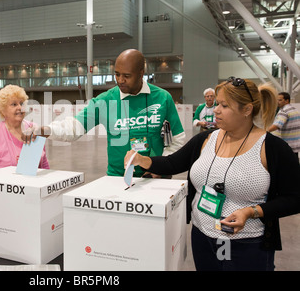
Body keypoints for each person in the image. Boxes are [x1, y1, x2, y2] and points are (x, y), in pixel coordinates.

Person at [124, 77, 300, 271]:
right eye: (216, 103)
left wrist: (252, 212)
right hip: (202, 237)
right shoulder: (205, 139)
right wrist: (143, 160)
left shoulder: (273, 148)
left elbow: (295, 198)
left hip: (247, 245)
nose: (216, 110)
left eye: (224, 105)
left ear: (247, 110)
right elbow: (173, 163)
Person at [23, 49, 185, 177]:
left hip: (154, 177)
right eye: (117, 74)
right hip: (117, 178)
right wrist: (44, 130)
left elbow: (177, 140)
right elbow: (74, 127)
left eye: (126, 76)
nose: (120, 80)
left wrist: (161, 167)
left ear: (141, 74)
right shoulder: (105, 100)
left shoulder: (163, 98)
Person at [0, 85, 49, 172]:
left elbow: (44, 163)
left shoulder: (34, 129)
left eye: (21, 103)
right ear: (3, 110)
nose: (20, 107)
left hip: (32, 184)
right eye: (14, 104)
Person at [267, 92, 300, 158]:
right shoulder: (295, 110)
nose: (278, 102)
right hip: (295, 145)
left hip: (287, 145)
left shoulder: (284, 111)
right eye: (277, 100)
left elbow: (277, 125)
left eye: (280, 100)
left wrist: (264, 131)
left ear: (287, 100)